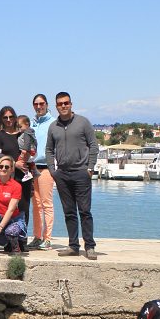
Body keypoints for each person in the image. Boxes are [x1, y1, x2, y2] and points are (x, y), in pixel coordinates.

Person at [47, 91, 99, 260]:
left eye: (66, 103)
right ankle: (73, 246)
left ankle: (89, 246)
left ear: (71, 104)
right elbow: (49, 150)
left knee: (85, 211)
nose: (63, 106)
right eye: (60, 104)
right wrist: (52, 171)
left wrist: (90, 168)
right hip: (62, 174)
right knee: (69, 212)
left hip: (81, 173)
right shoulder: (53, 127)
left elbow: (93, 145)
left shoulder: (83, 123)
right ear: (56, 106)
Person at [0, 106, 33, 226]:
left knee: (24, 207)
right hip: (8, 178)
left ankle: (22, 239)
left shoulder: (23, 134)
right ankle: (8, 238)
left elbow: (32, 151)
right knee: (7, 207)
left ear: (15, 118)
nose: (8, 119)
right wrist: (15, 164)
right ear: (1, 119)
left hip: (24, 176)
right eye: (5, 117)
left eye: (11, 117)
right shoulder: (0, 136)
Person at [0, 155, 27, 255]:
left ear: (12, 169)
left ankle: (15, 247)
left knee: (11, 231)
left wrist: (0, 227)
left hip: (12, 219)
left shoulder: (16, 186)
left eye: (7, 167)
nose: (3, 169)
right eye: (1, 166)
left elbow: (11, 210)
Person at [28, 93, 56, 250]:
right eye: (36, 104)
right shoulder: (32, 124)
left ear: (46, 104)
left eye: (41, 104)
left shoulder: (53, 123)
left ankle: (48, 238)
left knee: (47, 204)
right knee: (36, 205)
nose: (39, 107)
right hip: (32, 168)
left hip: (46, 168)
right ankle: (37, 237)